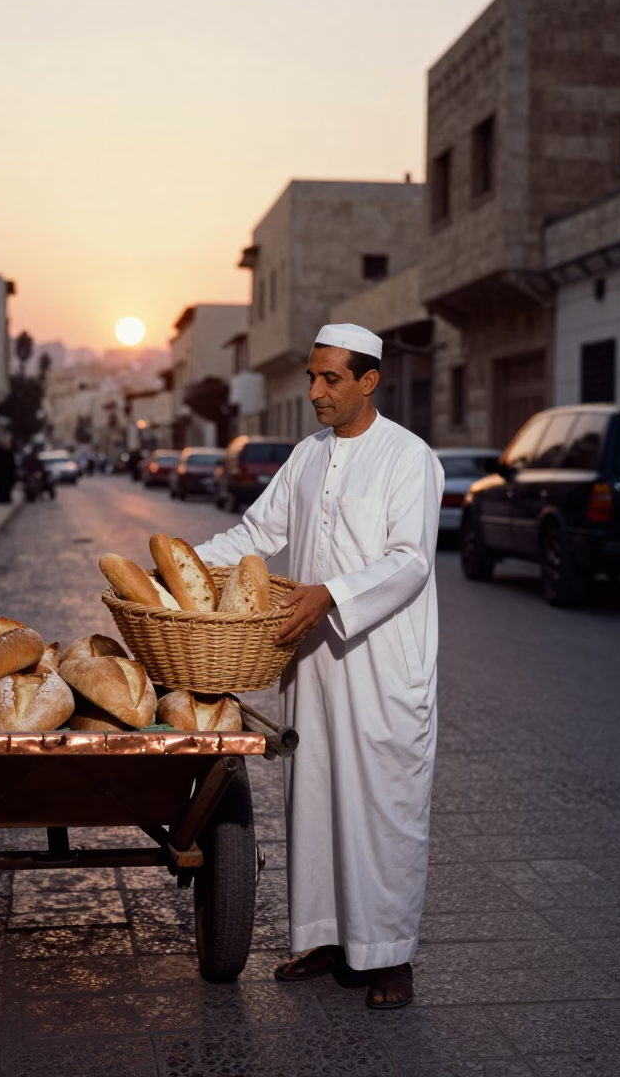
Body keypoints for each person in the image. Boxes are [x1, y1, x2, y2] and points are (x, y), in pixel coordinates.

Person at [193, 323, 444, 1010]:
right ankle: (331, 939)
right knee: (318, 798)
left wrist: (333, 592)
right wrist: (186, 564)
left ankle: (390, 957)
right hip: (313, 661)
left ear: (370, 381)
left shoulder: (408, 457)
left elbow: (411, 560)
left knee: (382, 805)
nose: (315, 391)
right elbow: (255, 533)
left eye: (331, 378)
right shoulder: (306, 456)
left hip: (381, 665)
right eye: (312, 377)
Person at [0, 431, 17, 503]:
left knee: (6, 487)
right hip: (0, 474)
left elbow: (12, 464)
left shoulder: (9, 452)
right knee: (0, 487)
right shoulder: (0, 451)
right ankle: (1, 498)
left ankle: (5, 498)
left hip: (7, 474)